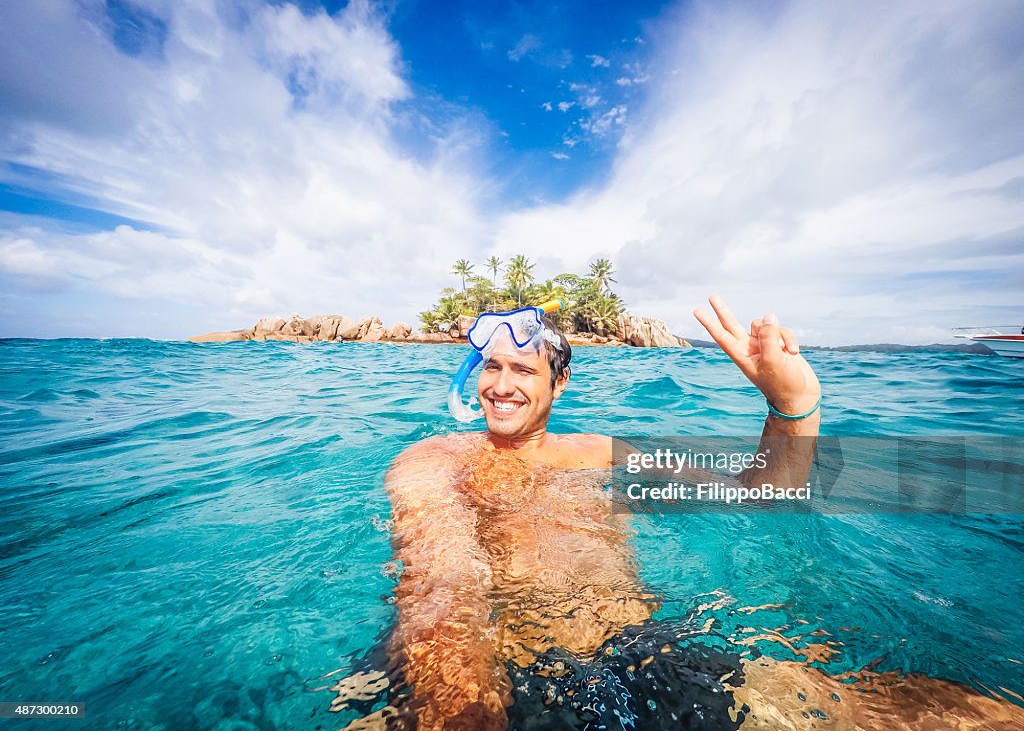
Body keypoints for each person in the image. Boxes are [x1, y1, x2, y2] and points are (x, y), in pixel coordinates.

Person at [335, 296, 1022, 731]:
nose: (501, 385)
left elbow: (762, 493)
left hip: (648, 656)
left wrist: (790, 408)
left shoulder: (604, 453)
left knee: (974, 714)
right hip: (505, 676)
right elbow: (440, 588)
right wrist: (462, 704)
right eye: (490, 367)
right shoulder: (436, 460)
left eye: (523, 369)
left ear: (560, 382)